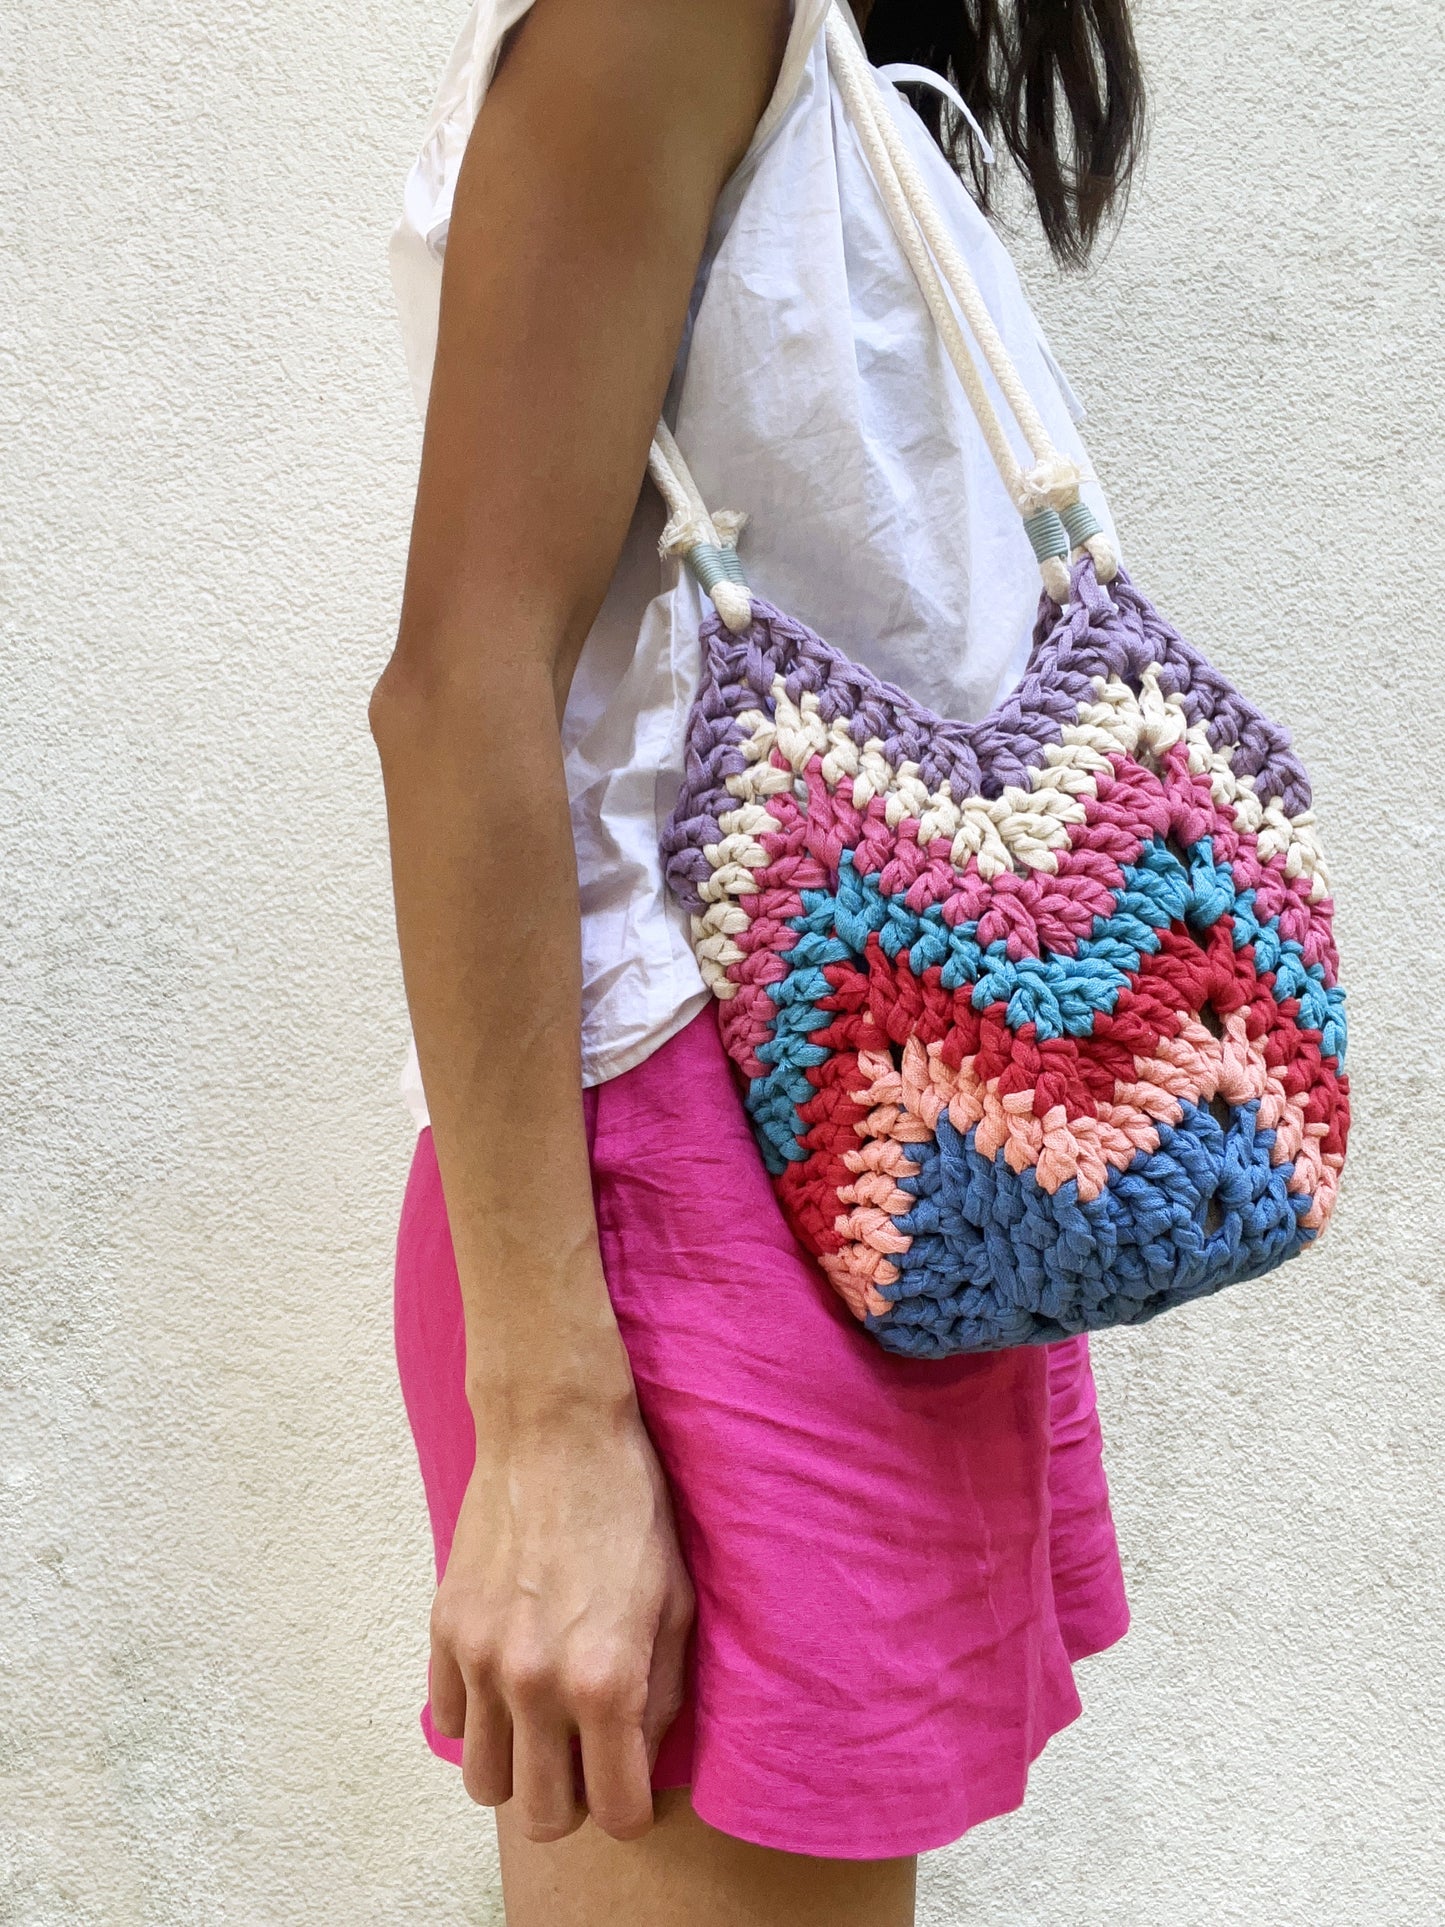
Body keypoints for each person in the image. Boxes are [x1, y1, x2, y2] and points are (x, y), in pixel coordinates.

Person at [371, 1, 1144, 1920]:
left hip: (874, 1152)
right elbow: (457, 690)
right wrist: (554, 1424)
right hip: (685, 1204)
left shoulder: (805, 40)